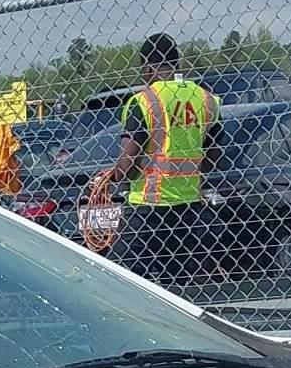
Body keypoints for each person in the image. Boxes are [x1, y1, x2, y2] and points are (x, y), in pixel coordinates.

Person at [91, 33, 216, 285]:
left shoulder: (144, 101)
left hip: (147, 209)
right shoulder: (205, 98)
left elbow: (128, 168)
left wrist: (111, 175)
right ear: (177, 64)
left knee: (121, 280)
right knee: (184, 284)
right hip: (190, 209)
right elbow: (214, 156)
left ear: (148, 67)